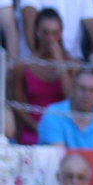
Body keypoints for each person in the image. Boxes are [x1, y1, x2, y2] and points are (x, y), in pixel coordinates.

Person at [10, 8, 71, 145]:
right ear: (37, 32)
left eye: (55, 33)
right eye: (45, 32)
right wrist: (39, 128)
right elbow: (18, 105)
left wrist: (61, 65)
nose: (50, 38)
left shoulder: (71, 64)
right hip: (33, 128)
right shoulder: (23, 65)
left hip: (63, 129)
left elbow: (71, 98)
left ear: (61, 33)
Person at [38, 68, 93, 148]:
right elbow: (58, 154)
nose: (86, 94)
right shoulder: (53, 113)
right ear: (73, 88)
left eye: (92, 90)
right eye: (82, 88)